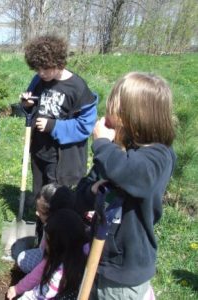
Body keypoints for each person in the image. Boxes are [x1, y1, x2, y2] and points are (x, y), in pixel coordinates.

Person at [75, 72, 176, 299]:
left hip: (125, 270)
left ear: (136, 116)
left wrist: (101, 144)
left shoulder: (158, 157)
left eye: (114, 108)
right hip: (99, 257)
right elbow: (82, 193)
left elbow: (133, 174)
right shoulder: (116, 152)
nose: (107, 114)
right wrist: (92, 190)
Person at [20, 33, 98, 240]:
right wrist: (27, 104)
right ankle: (40, 238)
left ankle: (57, 242)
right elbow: (33, 103)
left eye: (45, 68)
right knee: (40, 197)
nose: (41, 73)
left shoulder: (78, 88)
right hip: (40, 152)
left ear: (59, 62)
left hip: (62, 159)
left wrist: (53, 126)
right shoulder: (38, 80)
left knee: (56, 200)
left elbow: (85, 126)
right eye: (37, 68)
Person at [6, 209, 88, 300]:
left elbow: (37, 296)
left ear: (58, 246)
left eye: (48, 241)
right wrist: (18, 288)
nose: (45, 245)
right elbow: (40, 271)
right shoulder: (84, 252)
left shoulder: (57, 276)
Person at [15, 183, 76, 274]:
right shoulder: (60, 224)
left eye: (41, 212)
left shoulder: (55, 235)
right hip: (50, 259)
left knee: (23, 260)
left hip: (57, 269)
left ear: (54, 214)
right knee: (22, 257)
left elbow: (48, 262)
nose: (36, 213)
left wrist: (21, 286)